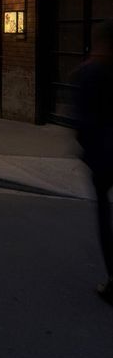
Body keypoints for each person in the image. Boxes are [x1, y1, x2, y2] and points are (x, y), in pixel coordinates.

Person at [74, 20, 113, 304]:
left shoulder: (89, 72)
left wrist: (87, 149)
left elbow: (83, 122)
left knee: (104, 214)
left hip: (103, 154)